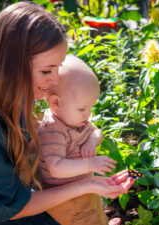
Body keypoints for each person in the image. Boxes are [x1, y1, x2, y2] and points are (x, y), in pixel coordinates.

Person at [0, 2, 134, 225]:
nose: (54, 81)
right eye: (46, 71)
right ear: (12, 65)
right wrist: (86, 184)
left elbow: (24, 156)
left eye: (58, 67)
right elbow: (12, 208)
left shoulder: (15, 99)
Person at [37, 55, 119, 225]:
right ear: (55, 103)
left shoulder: (76, 120)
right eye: (82, 108)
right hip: (67, 200)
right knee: (84, 219)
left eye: (90, 107)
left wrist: (91, 140)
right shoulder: (53, 130)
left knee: (94, 209)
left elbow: (97, 132)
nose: (88, 114)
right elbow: (56, 168)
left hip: (84, 187)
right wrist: (89, 164)